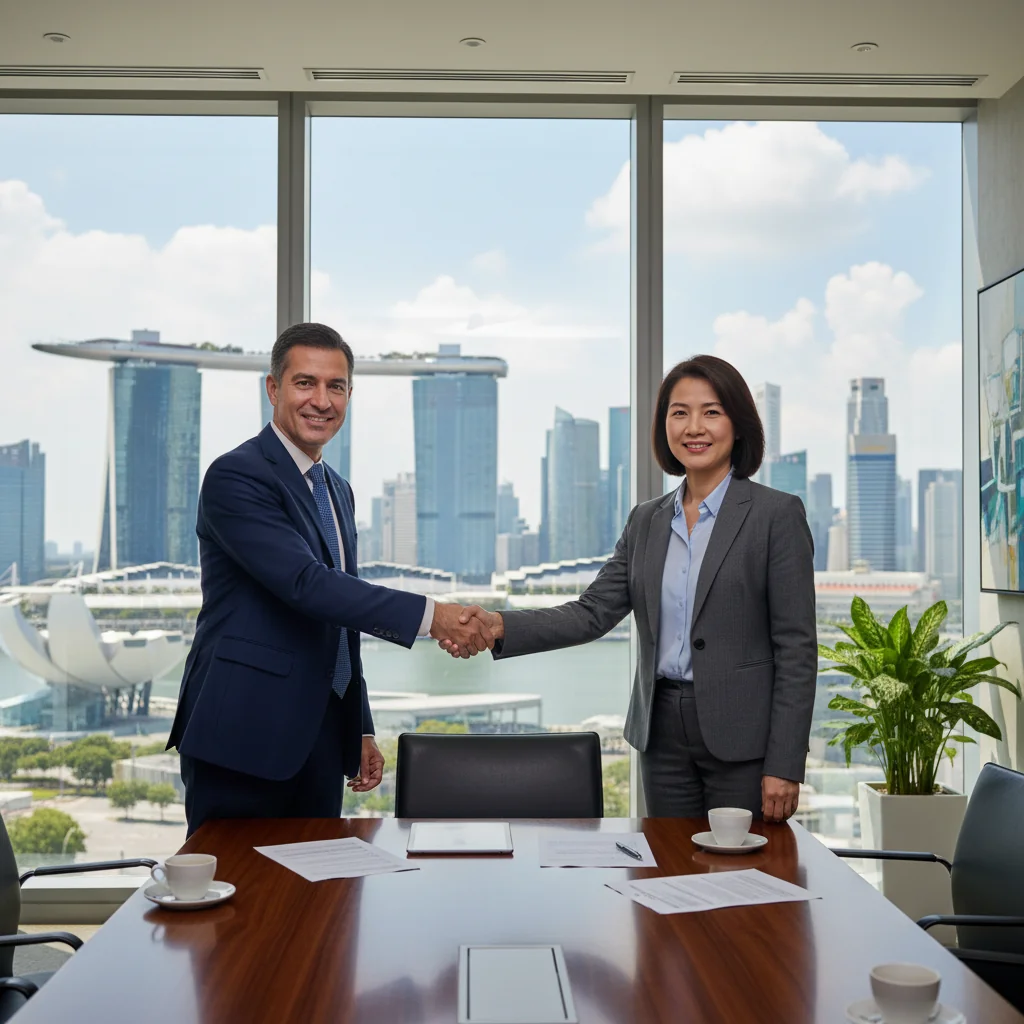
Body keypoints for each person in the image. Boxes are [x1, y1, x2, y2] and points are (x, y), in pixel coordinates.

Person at [442, 355, 816, 822]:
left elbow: (796, 648)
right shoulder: (646, 520)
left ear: (737, 425)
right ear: (664, 426)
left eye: (711, 412)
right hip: (660, 734)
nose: (694, 427)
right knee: (667, 862)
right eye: (679, 413)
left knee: (741, 866)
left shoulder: (776, 515)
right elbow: (592, 612)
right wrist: (498, 625)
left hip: (744, 741)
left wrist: (785, 763)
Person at [169, 322, 494, 835]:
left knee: (318, 880)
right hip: (243, 734)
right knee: (237, 884)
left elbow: (341, 619)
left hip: (319, 741)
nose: (321, 401)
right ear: (273, 388)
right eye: (305, 383)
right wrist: (435, 617)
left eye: (336, 387)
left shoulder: (337, 490)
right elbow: (307, 584)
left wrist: (357, 726)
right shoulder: (237, 475)